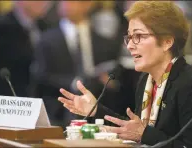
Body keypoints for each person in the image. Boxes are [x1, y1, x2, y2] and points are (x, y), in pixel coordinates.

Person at [58, 1, 192, 147]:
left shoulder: (187, 82)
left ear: (167, 42)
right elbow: (132, 129)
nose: (129, 45)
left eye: (139, 36)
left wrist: (144, 134)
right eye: (129, 37)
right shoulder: (146, 80)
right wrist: (95, 110)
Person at [31, 1, 132, 128]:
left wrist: (108, 81)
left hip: (99, 109)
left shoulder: (106, 43)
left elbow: (115, 74)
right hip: (58, 110)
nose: (66, 4)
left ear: (87, 5)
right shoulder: (45, 40)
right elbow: (41, 77)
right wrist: (75, 82)